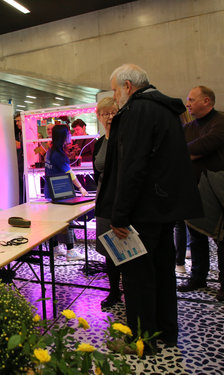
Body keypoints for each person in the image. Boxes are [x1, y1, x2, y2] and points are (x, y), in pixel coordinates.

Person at [96, 64, 202, 349]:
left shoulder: (137, 112)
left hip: (142, 211)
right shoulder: (167, 109)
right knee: (162, 273)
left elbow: (133, 168)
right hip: (164, 210)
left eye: (116, 91)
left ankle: (142, 340)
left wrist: (120, 214)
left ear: (128, 86)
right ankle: (166, 333)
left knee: (138, 278)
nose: (115, 98)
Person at [177, 86, 224, 301]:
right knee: (195, 237)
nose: (188, 104)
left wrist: (193, 151)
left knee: (222, 238)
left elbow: (210, 143)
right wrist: (194, 153)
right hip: (193, 189)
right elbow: (180, 150)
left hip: (217, 191)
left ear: (207, 101)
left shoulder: (220, 121)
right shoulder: (188, 127)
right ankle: (198, 277)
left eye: (191, 100)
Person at [92, 97, 122, 308]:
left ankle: (131, 289)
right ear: (99, 116)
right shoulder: (99, 143)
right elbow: (97, 173)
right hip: (104, 202)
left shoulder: (126, 139)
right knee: (109, 252)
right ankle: (114, 292)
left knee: (128, 249)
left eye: (113, 112)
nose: (110, 117)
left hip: (123, 201)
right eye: (105, 113)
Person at [44, 125, 88, 261]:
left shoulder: (50, 151)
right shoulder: (59, 154)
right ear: (64, 135)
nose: (71, 135)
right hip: (61, 193)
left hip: (50, 192)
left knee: (55, 222)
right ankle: (70, 251)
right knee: (67, 221)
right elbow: (69, 173)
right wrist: (81, 188)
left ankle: (56, 247)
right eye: (69, 133)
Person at [14, 112, 25, 204]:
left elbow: (22, 146)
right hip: (20, 166)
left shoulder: (26, 133)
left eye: (18, 121)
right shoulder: (20, 134)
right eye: (16, 121)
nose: (17, 123)